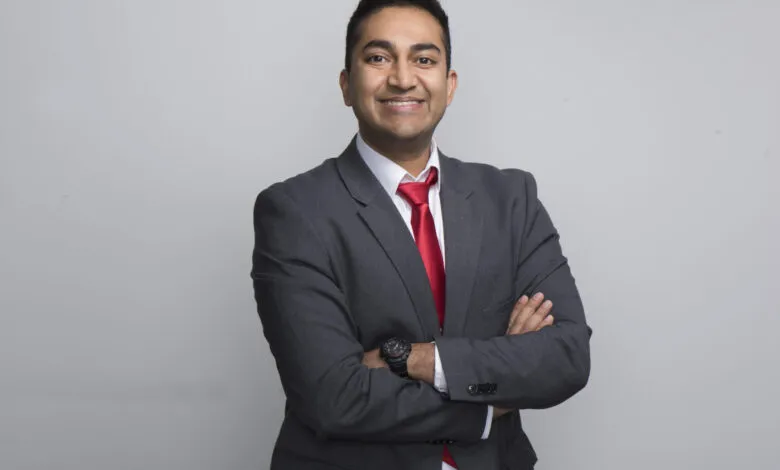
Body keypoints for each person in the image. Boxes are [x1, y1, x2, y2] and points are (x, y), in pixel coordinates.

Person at [250, 1, 592, 468]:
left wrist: (413, 358)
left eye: (424, 59)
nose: (403, 78)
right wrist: (491, 401)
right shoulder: (294, 211)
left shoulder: (511, 198)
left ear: (449, 86)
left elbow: (566, 357)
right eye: (378, 58)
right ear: (347, 85)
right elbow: (334, 396)